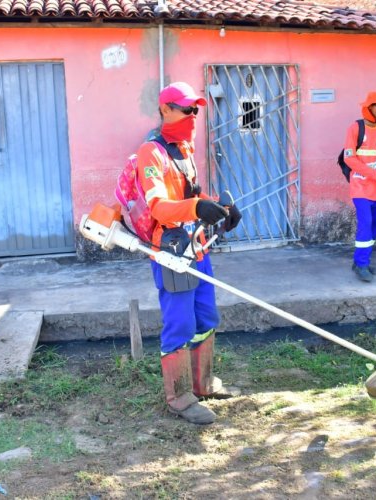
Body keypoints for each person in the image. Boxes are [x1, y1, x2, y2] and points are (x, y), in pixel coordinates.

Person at [136, 81, 242, 425]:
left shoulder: (184, 149)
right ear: (165, 109)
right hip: (170, 253)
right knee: (180, 323)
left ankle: (203, 383)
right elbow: (160, 208)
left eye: (195, 109)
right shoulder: (151, 152)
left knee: (206, 316)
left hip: (196, 248)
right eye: (185, 109)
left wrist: (220, 207)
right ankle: (179, 396)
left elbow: (191, 193)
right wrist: (197, 207)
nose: (192, 115)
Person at [342, 91, 376, 282]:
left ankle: (360, 260)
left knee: (373, 226)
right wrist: (375, 174)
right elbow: (349, 157)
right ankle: (362, 265)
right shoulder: (356, 128)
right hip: (360, 187)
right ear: (369, 107)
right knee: (365, 224)